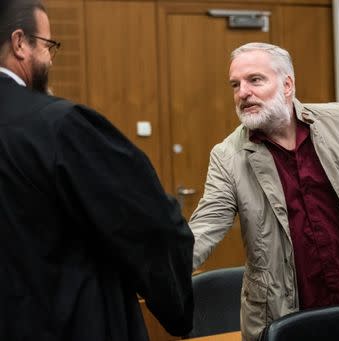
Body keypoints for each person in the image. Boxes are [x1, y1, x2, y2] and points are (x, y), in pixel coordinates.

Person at [189, 42, 339, 340]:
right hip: (286, 319)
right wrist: (157, 268)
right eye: (235, 84)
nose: (242, 92)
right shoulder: (228, 156)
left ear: (287, 84)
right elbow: (205, 227)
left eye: (255, 80)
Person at [0, 1, 194, 340]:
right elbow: (151, 223)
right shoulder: (58, 125)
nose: (49, 59)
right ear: (20, 43)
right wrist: (176, 308)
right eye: (48, 46)